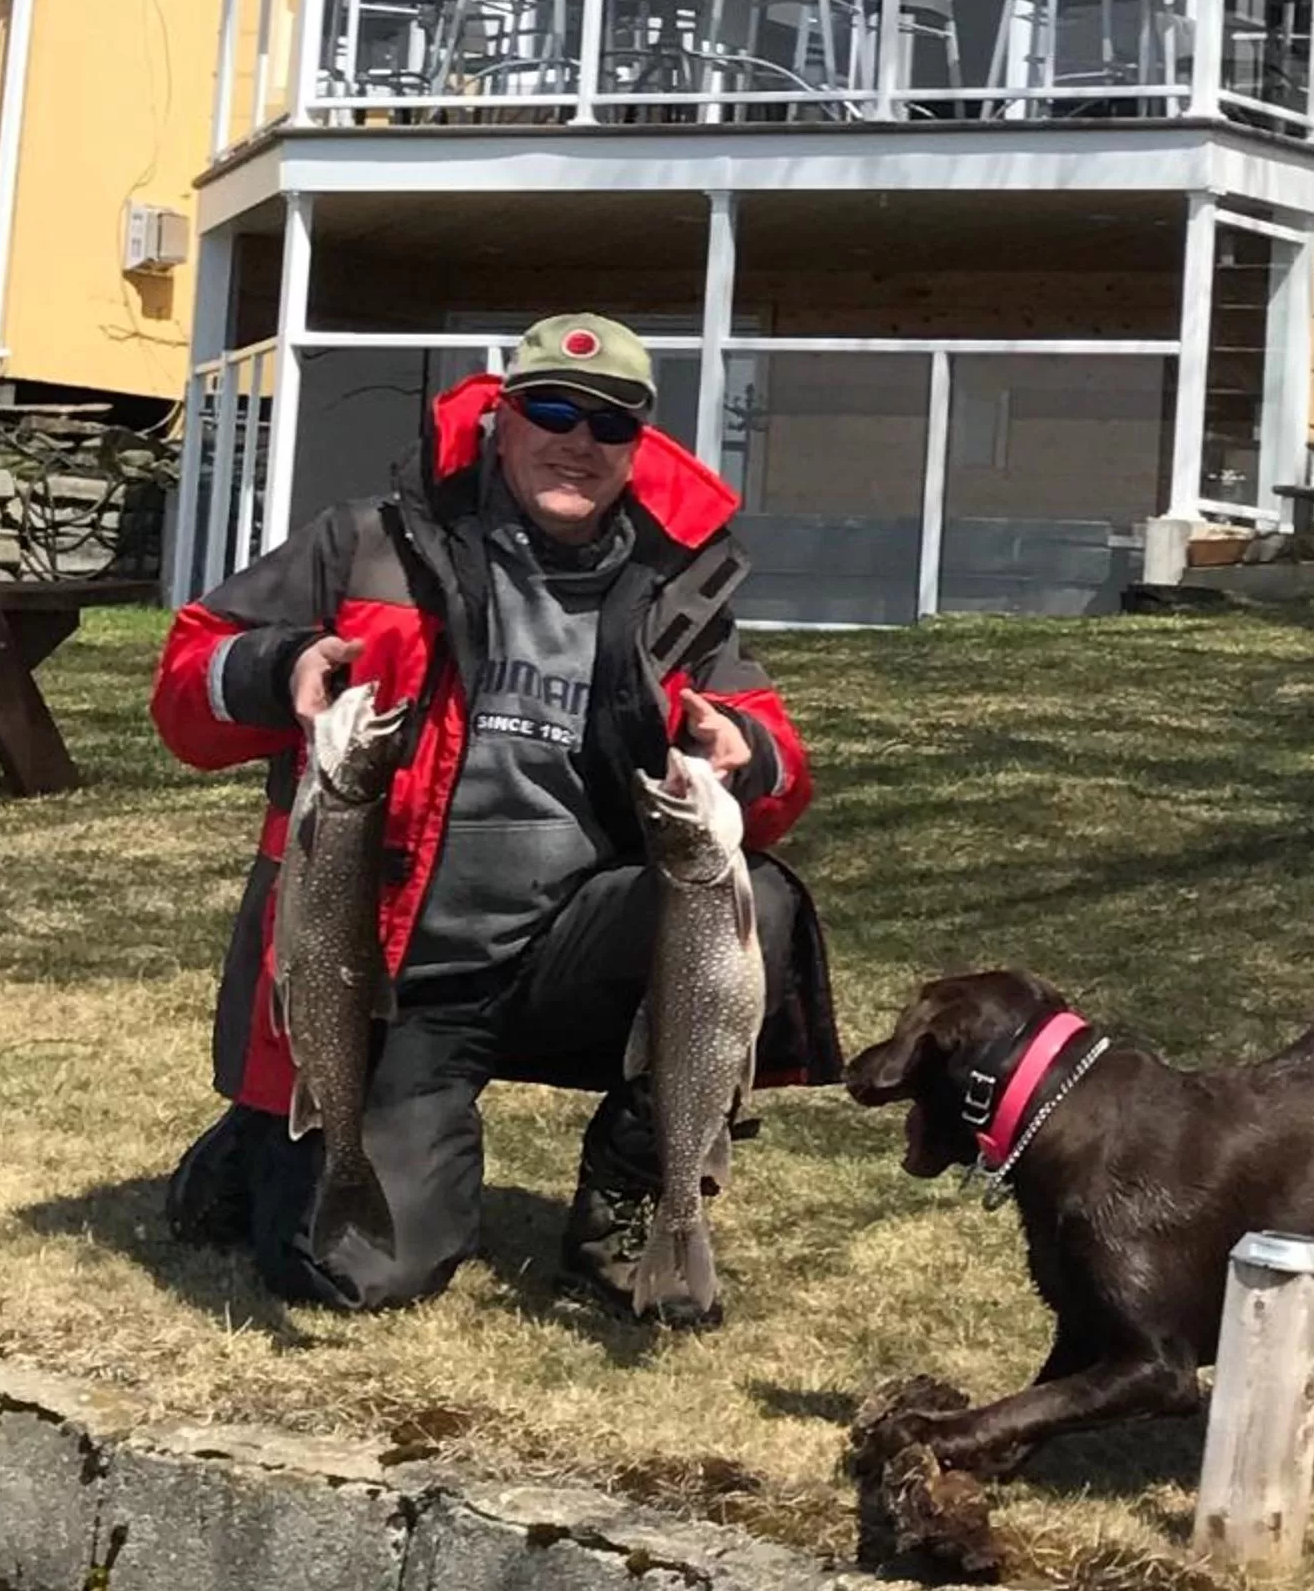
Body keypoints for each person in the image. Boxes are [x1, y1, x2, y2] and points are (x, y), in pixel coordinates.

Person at [151, 313, 837, 1322]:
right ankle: (264, 1143)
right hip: (384, 976)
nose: (577, 439)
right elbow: (181, 689)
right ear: (501, 421)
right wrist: (271, 667)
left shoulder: (677, 586)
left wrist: (749, 752)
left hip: (563, 954)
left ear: (637, 444)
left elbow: (776, 764)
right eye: (550, 409)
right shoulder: (367, 539)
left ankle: (634, 1189)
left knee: (754, 903)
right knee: (358, 1274)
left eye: (608, 423)